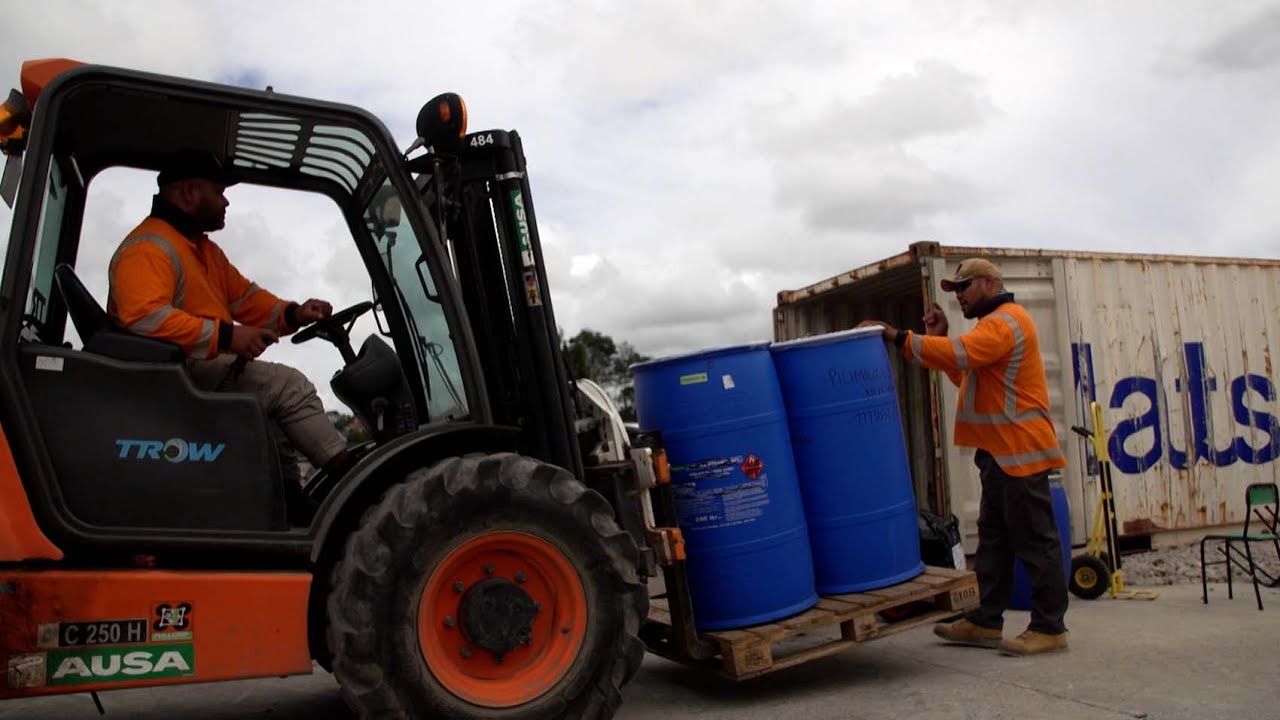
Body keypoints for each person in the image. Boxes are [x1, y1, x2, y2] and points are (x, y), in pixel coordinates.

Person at [857, 258, 1069, 656]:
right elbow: (968, 375)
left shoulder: (1005, 323)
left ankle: (1050, 627)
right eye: (954, 290)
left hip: (1020, 453)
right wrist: (938, 338)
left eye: (964, 287)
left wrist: (897, 336)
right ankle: (986, 621)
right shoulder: (992, 326)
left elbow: (961, 355)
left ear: (989, 283)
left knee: (1036, 544)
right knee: (994, 543)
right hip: (1000, 455)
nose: (958, 296)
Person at [107, 149, 350, 489]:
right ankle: (357, 482)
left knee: (274, 415)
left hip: (192, 368)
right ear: (189, 193)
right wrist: (227, 337)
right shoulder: (149, 248)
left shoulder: (203, 251)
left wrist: (294, 313)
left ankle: (288, 499)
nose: (226, 202)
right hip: (169, 375)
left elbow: (246, 299)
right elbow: (144, 318)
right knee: (289, 387)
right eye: (219, 192)